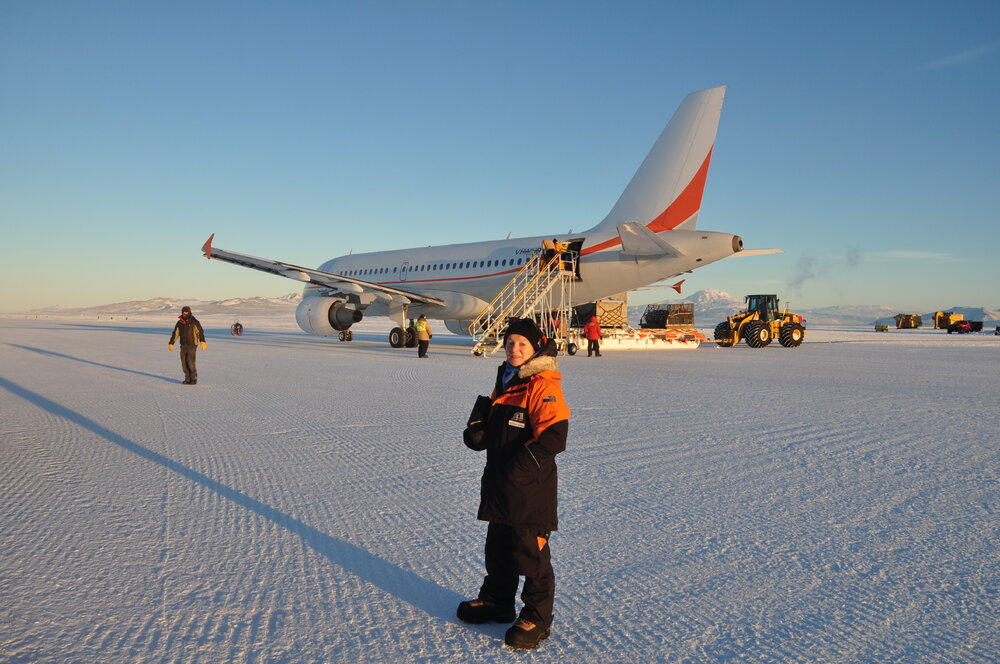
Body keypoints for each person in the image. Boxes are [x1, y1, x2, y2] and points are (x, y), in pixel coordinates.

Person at [458, 318, 569, 650]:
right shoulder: (506, 382)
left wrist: (519, 471)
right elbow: (495, 430)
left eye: (522, 344)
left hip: (529, 490)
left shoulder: (542, 385)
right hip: (500, 484)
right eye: (510, 343)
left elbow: (553, 438)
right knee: (498, 549)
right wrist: (479, 433)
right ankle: (497, 601)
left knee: (530, 553)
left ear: (536, 348)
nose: (515, 349)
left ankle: (537, 616)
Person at [168, 305, 206, 384]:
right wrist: (171, 343)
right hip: (183, 345)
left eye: (186, 311)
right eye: (184, 311)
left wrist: (202, 341)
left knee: (190, 362)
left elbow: (200, 332)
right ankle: (187, 378)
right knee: (184, 363)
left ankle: (193, 379)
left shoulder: (194, 321)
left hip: (192, 345)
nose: (185, 313)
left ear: (189, 312)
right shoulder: (179, 323)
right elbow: (175, 333)